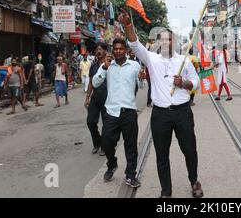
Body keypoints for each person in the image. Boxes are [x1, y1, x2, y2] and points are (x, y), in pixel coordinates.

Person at [122, 11, 203, 199]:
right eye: (163, 40)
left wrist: (184, 83)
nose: (166, 43)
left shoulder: (184, 61)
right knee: (161, 155)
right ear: (159, 42)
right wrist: (128, 26)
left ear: (174, 41)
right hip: (160, 115)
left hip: (182, 112)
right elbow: (135, 44)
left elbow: (196, 82)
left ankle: (194, 181)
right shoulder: (151, 59)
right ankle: (166, 191)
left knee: (190, 149)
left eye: (169, 39)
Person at [93, 38, 142, 187]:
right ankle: (112, 163)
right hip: (112, 112)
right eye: (116, 49)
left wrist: (143, 79)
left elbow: (142, 85)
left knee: (131, 145)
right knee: (107, 142)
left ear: (126, 50)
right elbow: (95, 83)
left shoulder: (134, 66)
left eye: (121, 48)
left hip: (129, 111)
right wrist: (104, 68)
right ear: (112, 51)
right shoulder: (107, 66)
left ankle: (130, 175)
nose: (118, 51)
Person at [85, 43, 108, 156]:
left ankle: (104, 146)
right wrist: (87, 97)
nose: (98, 51)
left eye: (100, 49)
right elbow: (90, 83)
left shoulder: (110, 65)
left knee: (106, 123)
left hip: (107, 96)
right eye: (97, 49)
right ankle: (97, 142)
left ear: (105, 51)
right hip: (95, 96)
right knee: (90, 121)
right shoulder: (93, 66)